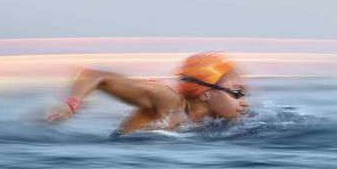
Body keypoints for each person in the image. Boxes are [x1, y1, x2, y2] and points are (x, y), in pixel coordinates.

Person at [46, 52, 249, 134]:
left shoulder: (215, 121)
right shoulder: (168, 101)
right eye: (236, 93)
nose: (245, 102)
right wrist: (71, 105)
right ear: (205, 93)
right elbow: (95, 75)